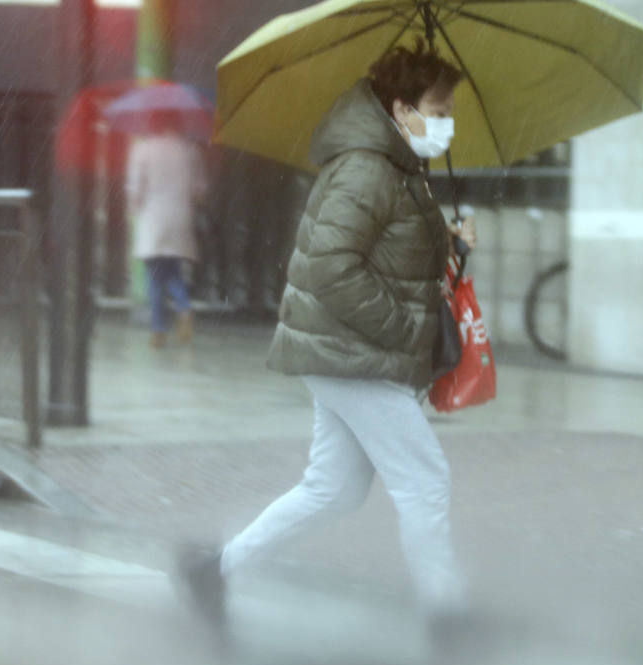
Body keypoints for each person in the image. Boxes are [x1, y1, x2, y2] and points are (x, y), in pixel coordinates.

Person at [180, 39, 477, 631]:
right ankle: (448, 618)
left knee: (333, 488)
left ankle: (216, 571)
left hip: (345, 350)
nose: (447, 123)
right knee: (424, 481)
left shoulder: (396, 168)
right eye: (438, 110)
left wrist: (452, 246)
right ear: (402, 111)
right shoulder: (368, 168)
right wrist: (398, 331)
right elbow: (329, 268)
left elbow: (387, 255)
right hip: (355, 353)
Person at [127, 111, 207, 348]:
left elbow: (135, 188)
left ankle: (159, 329)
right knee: (173, 269)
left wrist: (134, 209)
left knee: (155, 274)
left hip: (153, 218)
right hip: (180, 217)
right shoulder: (189, 150)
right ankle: (183, 308)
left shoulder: (143, 150)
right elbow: (199, 189)